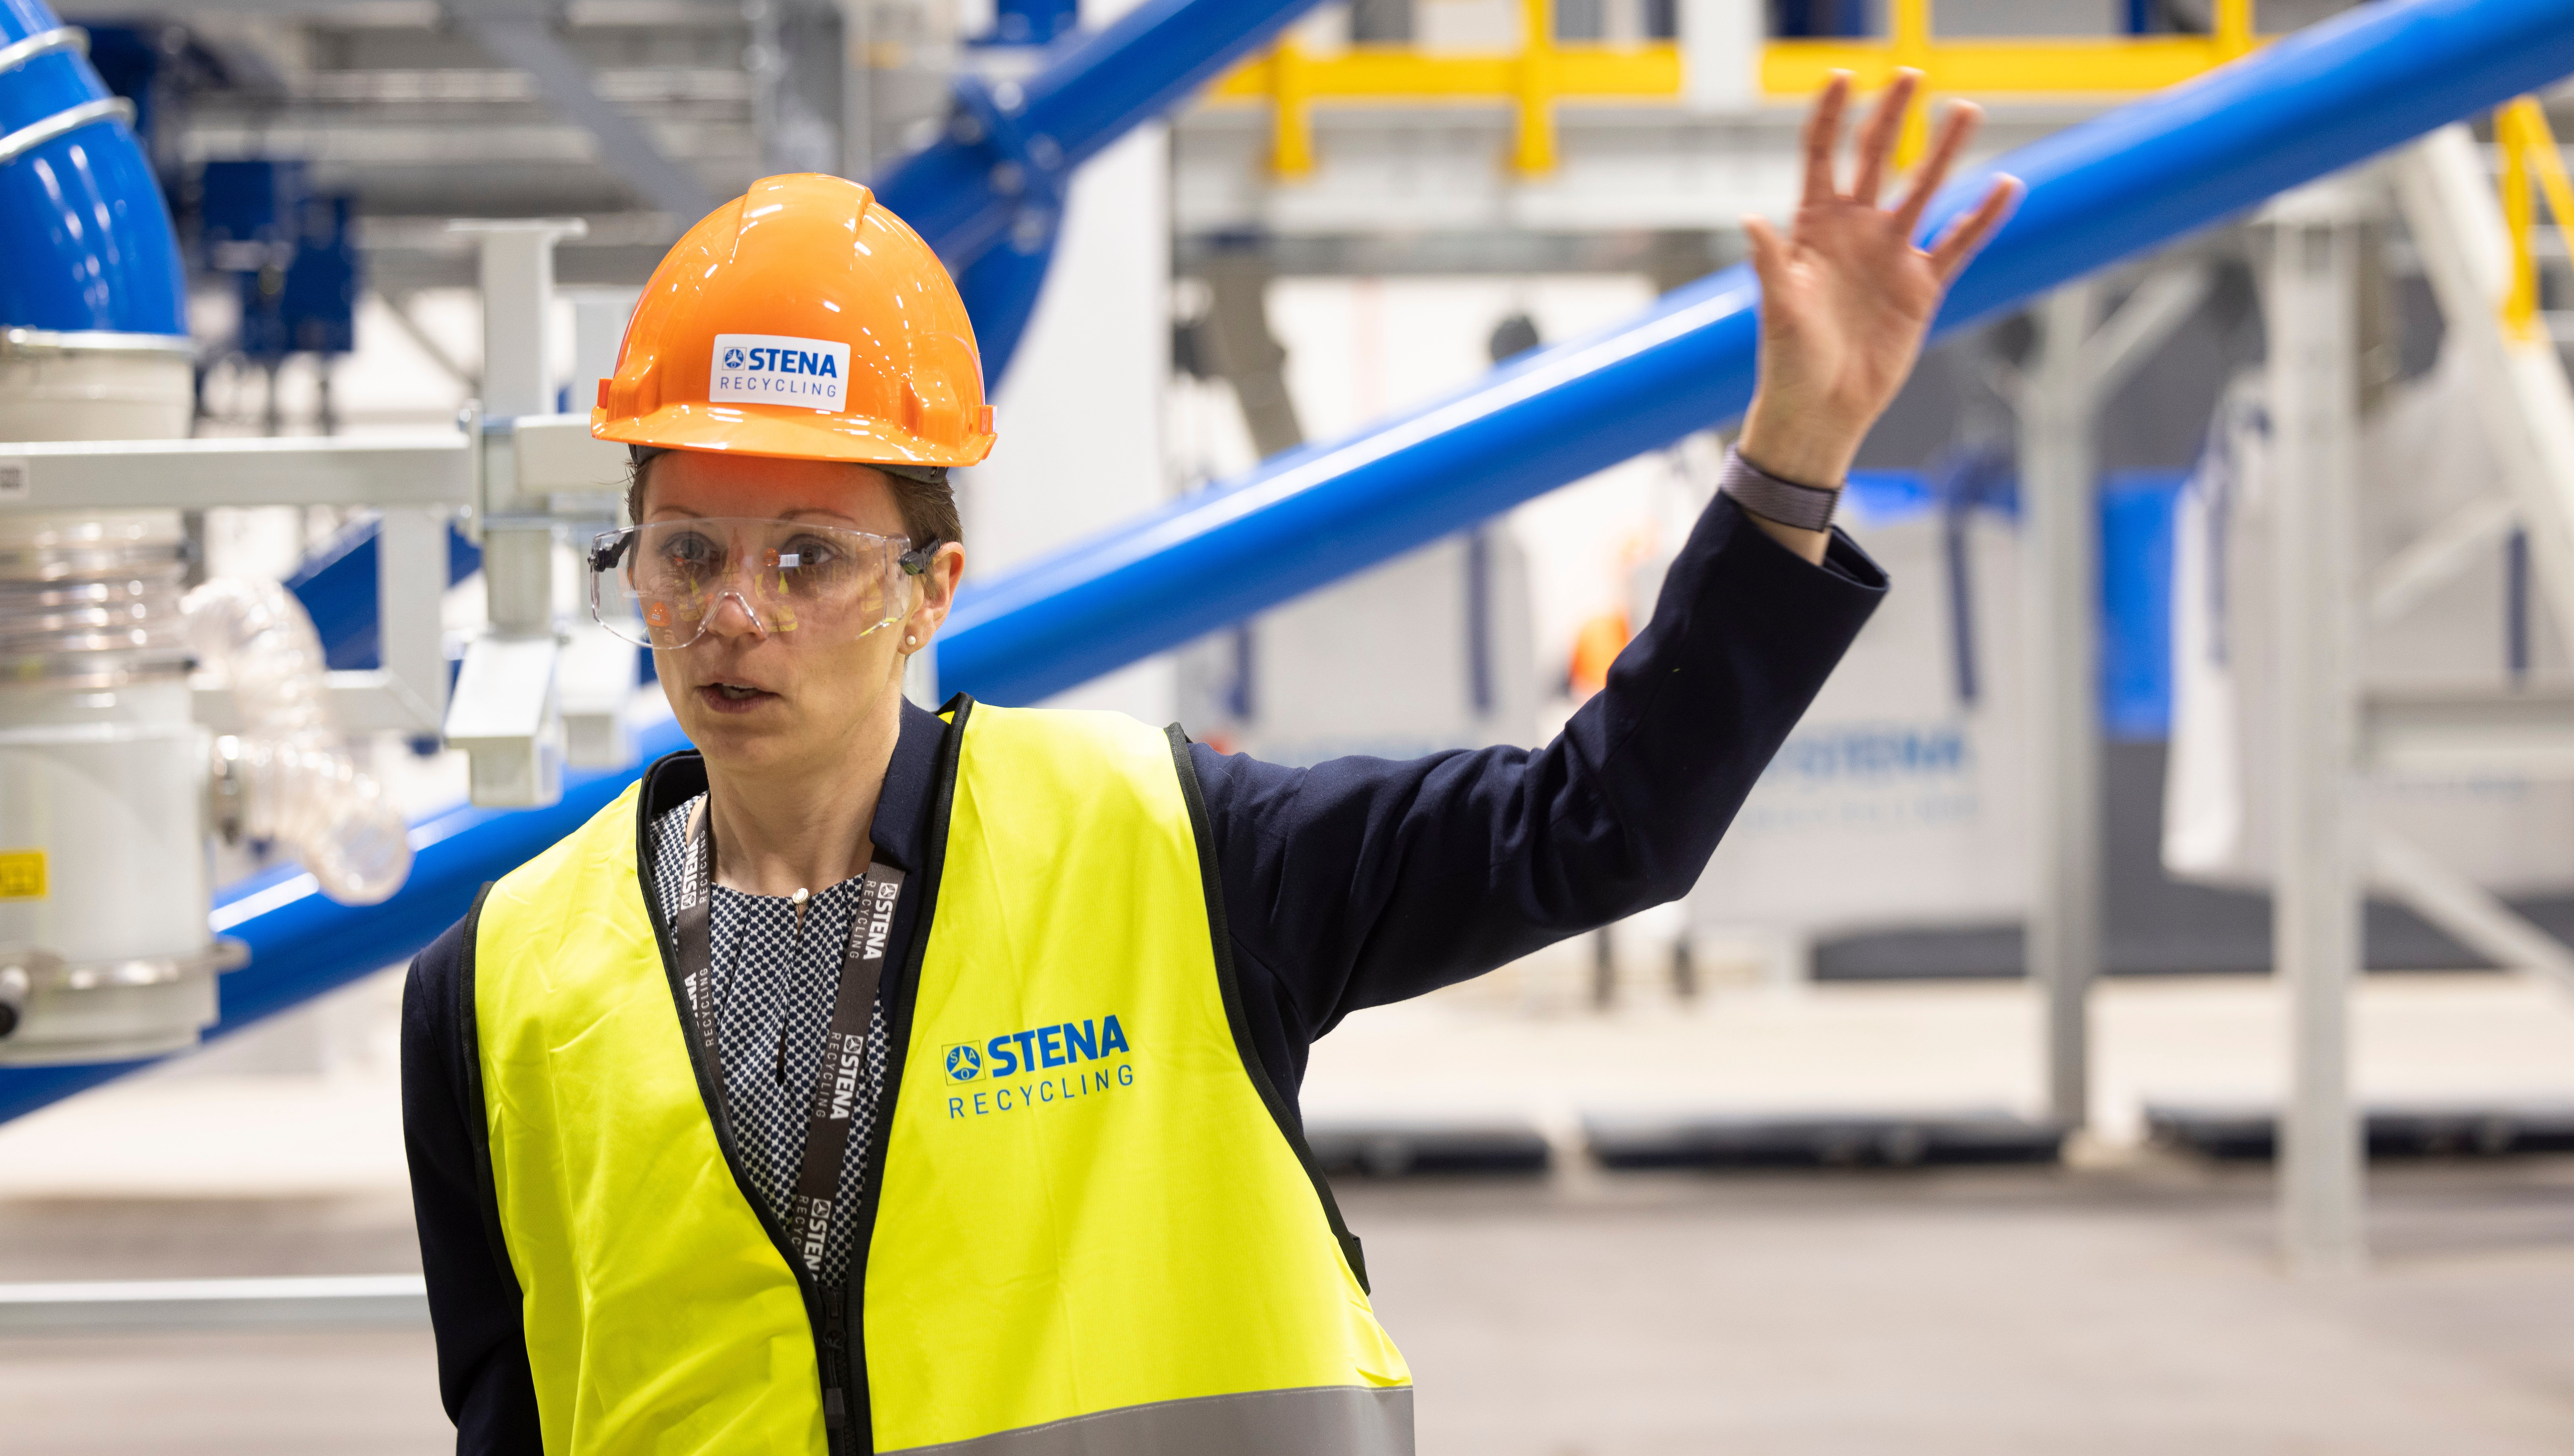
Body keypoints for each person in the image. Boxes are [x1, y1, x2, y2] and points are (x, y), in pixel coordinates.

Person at [402, 74, 2018, 1456]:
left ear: (926, 596)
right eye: (687, 553)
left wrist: (1791, 458)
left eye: (810, 557)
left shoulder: (1167, 852)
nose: (733, 614)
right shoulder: (494, 990)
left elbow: (1596, 825)